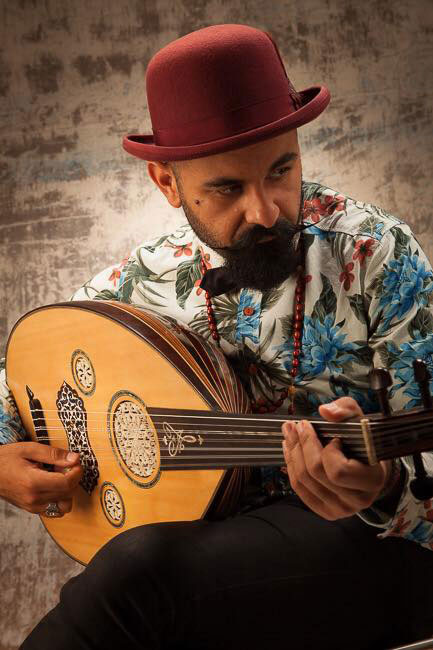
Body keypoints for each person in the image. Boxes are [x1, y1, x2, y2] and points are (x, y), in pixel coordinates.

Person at [1, 23, 433, 650]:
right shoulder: (144, 279)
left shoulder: (375, 255)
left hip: (388, 549)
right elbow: (15, 384)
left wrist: (385, 487)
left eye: (282, 169)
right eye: (227, 188)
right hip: (226, 552)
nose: (265, 211)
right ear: (168, 183)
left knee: (138, 574)